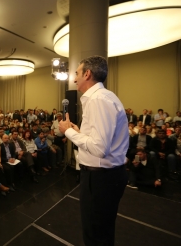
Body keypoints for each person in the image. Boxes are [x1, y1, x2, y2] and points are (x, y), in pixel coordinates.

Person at [59, 56, 128, 246]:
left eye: (77, 73)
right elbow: (101, 140)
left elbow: (99, 148)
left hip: (101, 180)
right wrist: (80, 132)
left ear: (87, 74)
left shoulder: (98, 100)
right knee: (102, 232)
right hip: (106, 177)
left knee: (95, 235)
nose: (74, 79)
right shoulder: (104, 98)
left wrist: (69, 131)